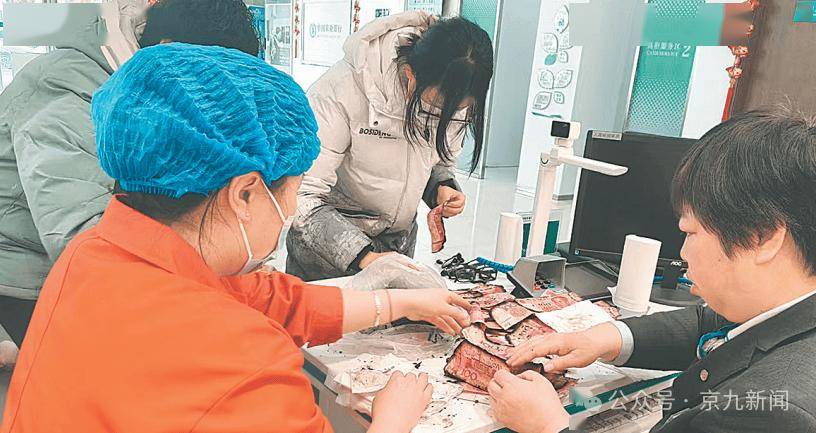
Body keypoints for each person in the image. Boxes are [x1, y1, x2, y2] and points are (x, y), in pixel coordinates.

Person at [0, 43, 472, 433]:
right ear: (245, 194)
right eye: (292, 192)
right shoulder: (245, 366)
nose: (291, 210)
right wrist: (391, 421)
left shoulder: (95, 254)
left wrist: (393, 302)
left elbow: (264, 298)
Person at [487, 109, 816, 433]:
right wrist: (601, 338)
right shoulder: (782, 309)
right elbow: (707, 323)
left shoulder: (775, 413)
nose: (683, 253)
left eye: (690, 232)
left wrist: (548, 426)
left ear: (761, 237)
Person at [0, 0, 260, 349]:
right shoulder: (67, 89)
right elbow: (79, 235)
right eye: (208, 82)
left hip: (98, 271)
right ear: (169, 52)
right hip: (28, 281)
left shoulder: (150, 90)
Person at [286, 11, 494, 281]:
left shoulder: (452, 98)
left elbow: (434, 161)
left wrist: (441, 187)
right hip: (326, 258)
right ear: (410, 75)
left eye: (456, 112)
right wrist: (364, 256)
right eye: (434, 109)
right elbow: (302, 197)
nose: (443, 118)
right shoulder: (340, 91)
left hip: (396, 250)